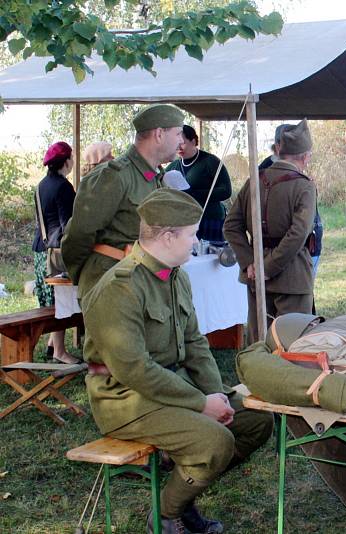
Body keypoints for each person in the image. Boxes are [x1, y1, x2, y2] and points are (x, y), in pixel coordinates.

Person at [81, 188, 272, 534]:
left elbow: (195, 343)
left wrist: (217, 397)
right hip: (125, 400)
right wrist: (201, 404)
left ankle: (181, 496)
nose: (196, 241)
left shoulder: (175, 276)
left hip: (171, 389)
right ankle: (167, 513)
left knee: (256, 421)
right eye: (191, 233)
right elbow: (133, 369)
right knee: (215, 442)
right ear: (168, 237)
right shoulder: (119, 288)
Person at [61, 104, 184, 298]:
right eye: (178, 134)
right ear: (159, 134)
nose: (182, 142)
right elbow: (78, 235)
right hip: (114, 287)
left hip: (143, 284)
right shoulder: (113, 176)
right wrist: (88, 276)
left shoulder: (157, 179)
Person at [224, 119, 317, 342]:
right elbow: (298, 234)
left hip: (256, 274)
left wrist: (251, 263)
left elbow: (231, 225)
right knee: (293, 345)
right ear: (304, 156)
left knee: (260, 344)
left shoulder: (254, 181)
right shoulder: (304, 186)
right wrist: (268, 267)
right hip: (291, 275)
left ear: (279, 151)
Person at [32, 141, 79, 364]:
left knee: (48, 300)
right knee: (61, 301)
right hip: (57, 252)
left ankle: (52, 345)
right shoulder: (63, 186)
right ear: (66, 161)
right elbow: (68, 225)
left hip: (41, 249)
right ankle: (60, 351)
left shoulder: (41, 185)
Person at [259, 123, 324, 278]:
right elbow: (298, 231)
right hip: (285, 255)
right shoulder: (262, 173)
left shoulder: (298, 176)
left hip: (305, 247)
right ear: (278, 146)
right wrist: (267, 266)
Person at [166, 125, 232, 243]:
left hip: (211, 220)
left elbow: (226, 190)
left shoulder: (211, 161)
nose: (179, 146)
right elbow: (154, 178)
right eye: (176, 143)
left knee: (211, 258)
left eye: (183, 142)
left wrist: (193, 194)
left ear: (194, 141)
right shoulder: (172, 166)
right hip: (184, 223)